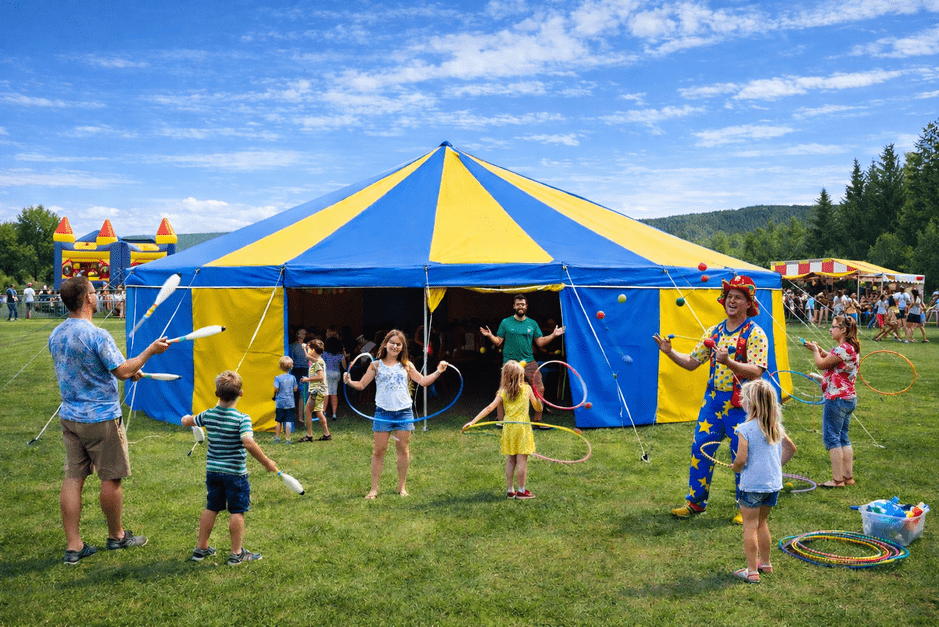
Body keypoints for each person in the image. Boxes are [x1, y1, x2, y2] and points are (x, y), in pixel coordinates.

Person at [48, 276, 170, 564]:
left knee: (73, 478)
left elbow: (93, 368)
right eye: (94, 292)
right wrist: (150, 351)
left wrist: (124, 371)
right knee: (111, 477)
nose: (97, 295)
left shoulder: (56, 334)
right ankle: (117, 536)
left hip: (70, 417)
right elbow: (123, 370)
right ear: (87, 298)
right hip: (101, 418)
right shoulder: (97, 335)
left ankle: (74, 546)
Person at [653, 274, 768, 524]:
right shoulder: (714, 332)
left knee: (742, 455)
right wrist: (670, 352)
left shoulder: (755, 334)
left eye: (738, 297)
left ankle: (746, 506)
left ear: (748, 303)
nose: (732, 301)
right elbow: (691, 363)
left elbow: (757, 371)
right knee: (700, 449)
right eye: (729, 297)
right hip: (713, 401)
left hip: (741, 404)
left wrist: (729, 362)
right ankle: (695, 502)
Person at [182, 370, 279, 565]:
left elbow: (187, 421)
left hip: (213, 472)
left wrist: (186, 418)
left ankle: (201, 548)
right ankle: (236, 553)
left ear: (216, 394)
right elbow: (248, 442)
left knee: (212, 507)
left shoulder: (208, 415)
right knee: (237, 511)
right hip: (235, 474)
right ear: (241, 394)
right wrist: (267, 462)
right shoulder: (242, 419)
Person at [343, 330, 448, 499]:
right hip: (382, 413)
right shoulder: (376, 365)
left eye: (398, 344)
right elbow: (361, 385)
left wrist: (438, 371)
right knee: (379, 451)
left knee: (403, 450)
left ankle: (402, 487)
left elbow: (423, 381)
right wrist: (349, 381)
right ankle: (374, 489)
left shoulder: (406, 365)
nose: (395, 346)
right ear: (385, 344)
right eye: (392, 343)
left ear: (402, 347)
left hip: (404, 413)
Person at [730, 379, 796, 584]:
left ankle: (751, 571)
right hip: (772, 485)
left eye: (743, 398)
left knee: (750, 525)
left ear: (751, 404)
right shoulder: (775, 426)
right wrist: (775, 467)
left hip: (752, 486)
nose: (741, 401)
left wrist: (736, 467)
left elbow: (741, 459)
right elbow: (791, 449)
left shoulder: (745, 428)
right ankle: (765, 563)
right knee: (762, 523)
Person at [479, 294, 564, 427]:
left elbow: (540, 342)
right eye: (518, 304)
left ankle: (537, 420)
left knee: (540, 388)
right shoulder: (505, 322)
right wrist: (490, 335)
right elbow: (498, 341)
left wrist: (553, 335)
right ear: (514, 306)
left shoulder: (532, 323)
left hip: (529, 361)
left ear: (526, 306)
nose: (521, 306)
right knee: (503, 390)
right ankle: (500, 420)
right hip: (510, 363)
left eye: (523, 304)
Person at [463, 360, 543, 499]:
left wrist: (473, 421)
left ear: (505, 376)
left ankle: (510, 490)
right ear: (521, 376)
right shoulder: (527, 389)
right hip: (522, 428)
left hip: (509, 428)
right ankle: (521, 491)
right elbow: (537, 408)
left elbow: (490, 408)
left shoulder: (503, 392)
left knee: (510, 459)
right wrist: (539, 401)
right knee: (522, 460)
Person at [804, 315, 859, 488]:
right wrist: (820, 350)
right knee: (843, 437)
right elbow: (833, 360)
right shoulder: (850, 348)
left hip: (836, 399)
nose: (830, 329)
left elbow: (821, 364)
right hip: (848, 398)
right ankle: (848, 477)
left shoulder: (842, 349)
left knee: (833, 439)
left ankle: (837, 480)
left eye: (833, 327)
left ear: (843, 330)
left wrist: (815, 352)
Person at [298, 339, 331, 442]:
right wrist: (305, 348)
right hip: (318, 391)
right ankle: (326, 434)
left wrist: (307, 379)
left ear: (313, 350)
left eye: (309, 349)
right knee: (317, 412)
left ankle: (309, 435)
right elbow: (308, 357)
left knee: (310, 411)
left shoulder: (317, 362)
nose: (308, 351)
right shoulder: (318, 360)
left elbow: (320, 376)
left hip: (317, 391)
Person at [273, 356, 297, 443]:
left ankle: (277, 438)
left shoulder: (278, 378)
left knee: (278, 421)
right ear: (291, 366)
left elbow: (276, 389)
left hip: (280, 402)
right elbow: (295, 389)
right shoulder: (293, 378)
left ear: (280, 366)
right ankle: (288, 439)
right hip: (290, 402)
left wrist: (275, 394)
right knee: (288, 421)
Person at [322, 336, 347, 420]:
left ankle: (323, 412)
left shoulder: (324, 354)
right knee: (334, 393)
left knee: (326, 393)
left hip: (327, 374)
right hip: (336, 374)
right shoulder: (340, 356)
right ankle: (334, 414)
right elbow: (344, 367)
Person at [288, 328, 309, 424]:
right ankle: (294, 415)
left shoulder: (308, 347)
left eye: (305, 333)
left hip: (305, 370)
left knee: (303, 393)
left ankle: (301, 416)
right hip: (296, 371)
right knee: (294, 393)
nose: (304, 335)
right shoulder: (292, 346)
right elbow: (290, 360)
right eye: (302, 333)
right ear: (297, 334)